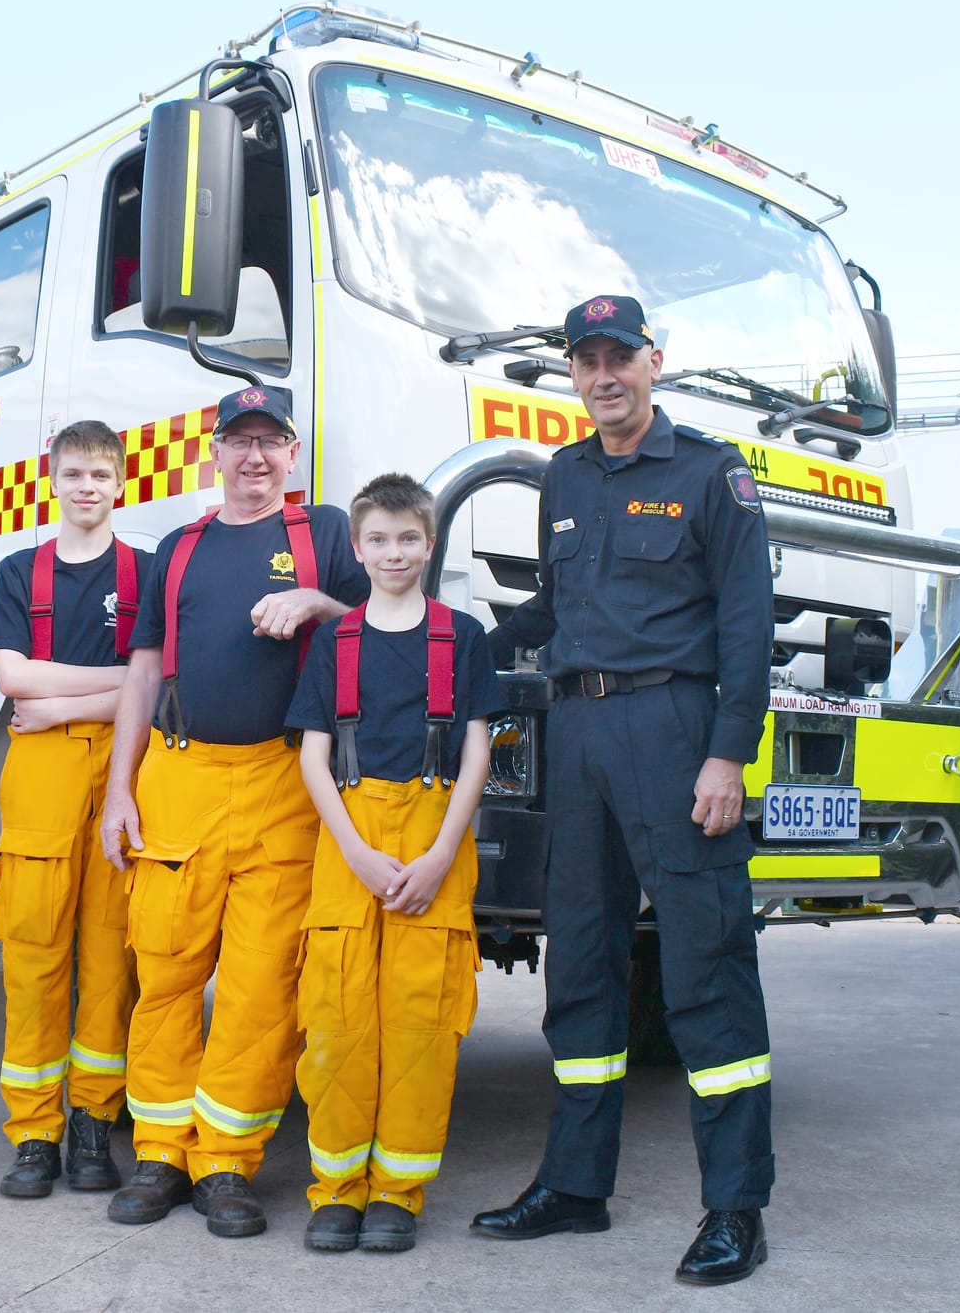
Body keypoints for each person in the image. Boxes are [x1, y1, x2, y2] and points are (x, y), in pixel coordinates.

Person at [471, 296, 777, 1286]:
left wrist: (727, 753)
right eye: (585, 361)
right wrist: (458, 644)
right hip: (580, 735)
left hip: (673, 730)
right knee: (583, 964)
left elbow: (744, 623)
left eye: (618, 357)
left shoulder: (707, 472)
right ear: (572, 373)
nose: (603, 375)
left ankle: (733, 1205)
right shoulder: (562, 473)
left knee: (703, 964)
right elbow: (554, 608)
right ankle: (574, 1184)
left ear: (654, 361)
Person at [98, 383, 370, 1238]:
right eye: (238, 440)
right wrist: (118, 790)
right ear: (214, 452)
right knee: (166, 971)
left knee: (259, 986)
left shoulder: (324, 532)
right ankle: (159, 1152)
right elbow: (143, 673)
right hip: (176, 779)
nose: (254, 457)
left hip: (282, 785)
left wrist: (319, 604)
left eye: (271, 441)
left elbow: (384, 618)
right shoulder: (178, 548)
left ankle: (225, 1162)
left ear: (293, 453)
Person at [284, 473, 504, 1254]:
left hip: (434, 830)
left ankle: (398, 1193)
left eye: (409, 537)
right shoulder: (335, 644)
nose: (394, 552)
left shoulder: (461, 636)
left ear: (431, 541)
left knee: (420, 1022)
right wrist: (351, 847)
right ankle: (337, 1188)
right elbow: (314, 756)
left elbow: (477, 747)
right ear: (357, 547)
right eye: (378, 538)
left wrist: (444, 849)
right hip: (351, 836)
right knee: (338, 1021)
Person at [0, 420, 150, 1198]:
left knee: (111, 957)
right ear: (52, 480)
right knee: (34, 953)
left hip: (122, 766)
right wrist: (100, 688)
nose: (87, 487)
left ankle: (92, 1125)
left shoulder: (145, 574)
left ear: (123, 483)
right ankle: (34, 1135)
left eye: (100, 475)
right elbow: (14, 677)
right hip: (42, 771)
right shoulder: (20, 571)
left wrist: (62, 700)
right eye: (74, 473)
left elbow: (156, 680)